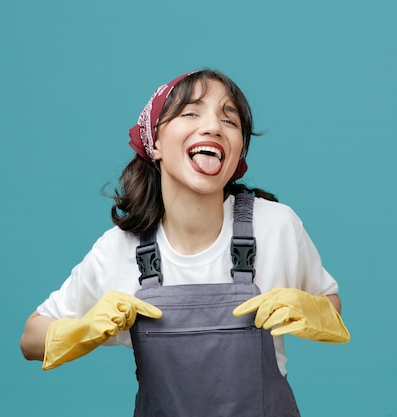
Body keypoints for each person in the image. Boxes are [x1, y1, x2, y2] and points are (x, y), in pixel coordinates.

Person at [20, 69, 350, 416]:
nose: (213, 127)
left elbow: (330, 303)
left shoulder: (275, 225)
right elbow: (30, 339)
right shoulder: (119, 250)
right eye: (191, 113)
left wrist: (313, 310)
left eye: (230, 120)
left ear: (238, 154)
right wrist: (82, 330)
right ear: (155, 142)